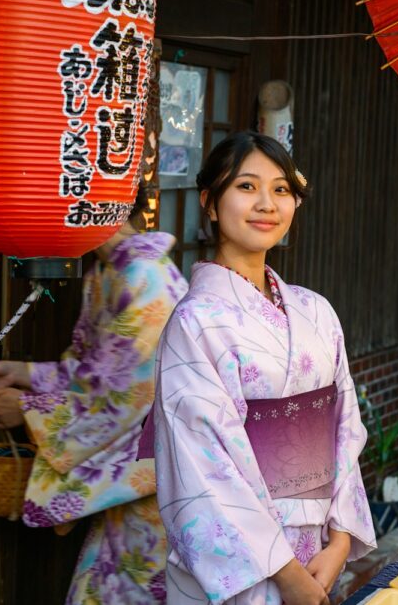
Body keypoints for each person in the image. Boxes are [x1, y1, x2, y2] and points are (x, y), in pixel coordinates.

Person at [138, 132, 376, 605]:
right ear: (210, 202)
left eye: (281, 189)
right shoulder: (195, 321)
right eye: (246, 186)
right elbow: (200, 465)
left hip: (318, 551)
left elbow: (346, 429)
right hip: (242, 563)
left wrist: (341, 541)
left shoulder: (317, 312)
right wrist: (288, 577)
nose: (266, 203)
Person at [0, 181, 188, 605]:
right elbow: (96, 375)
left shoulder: (145, 277)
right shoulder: (108, 271)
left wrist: (27, 411)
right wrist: (24, 373)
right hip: (131, 491)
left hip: (157, 490)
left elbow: (125, 397)